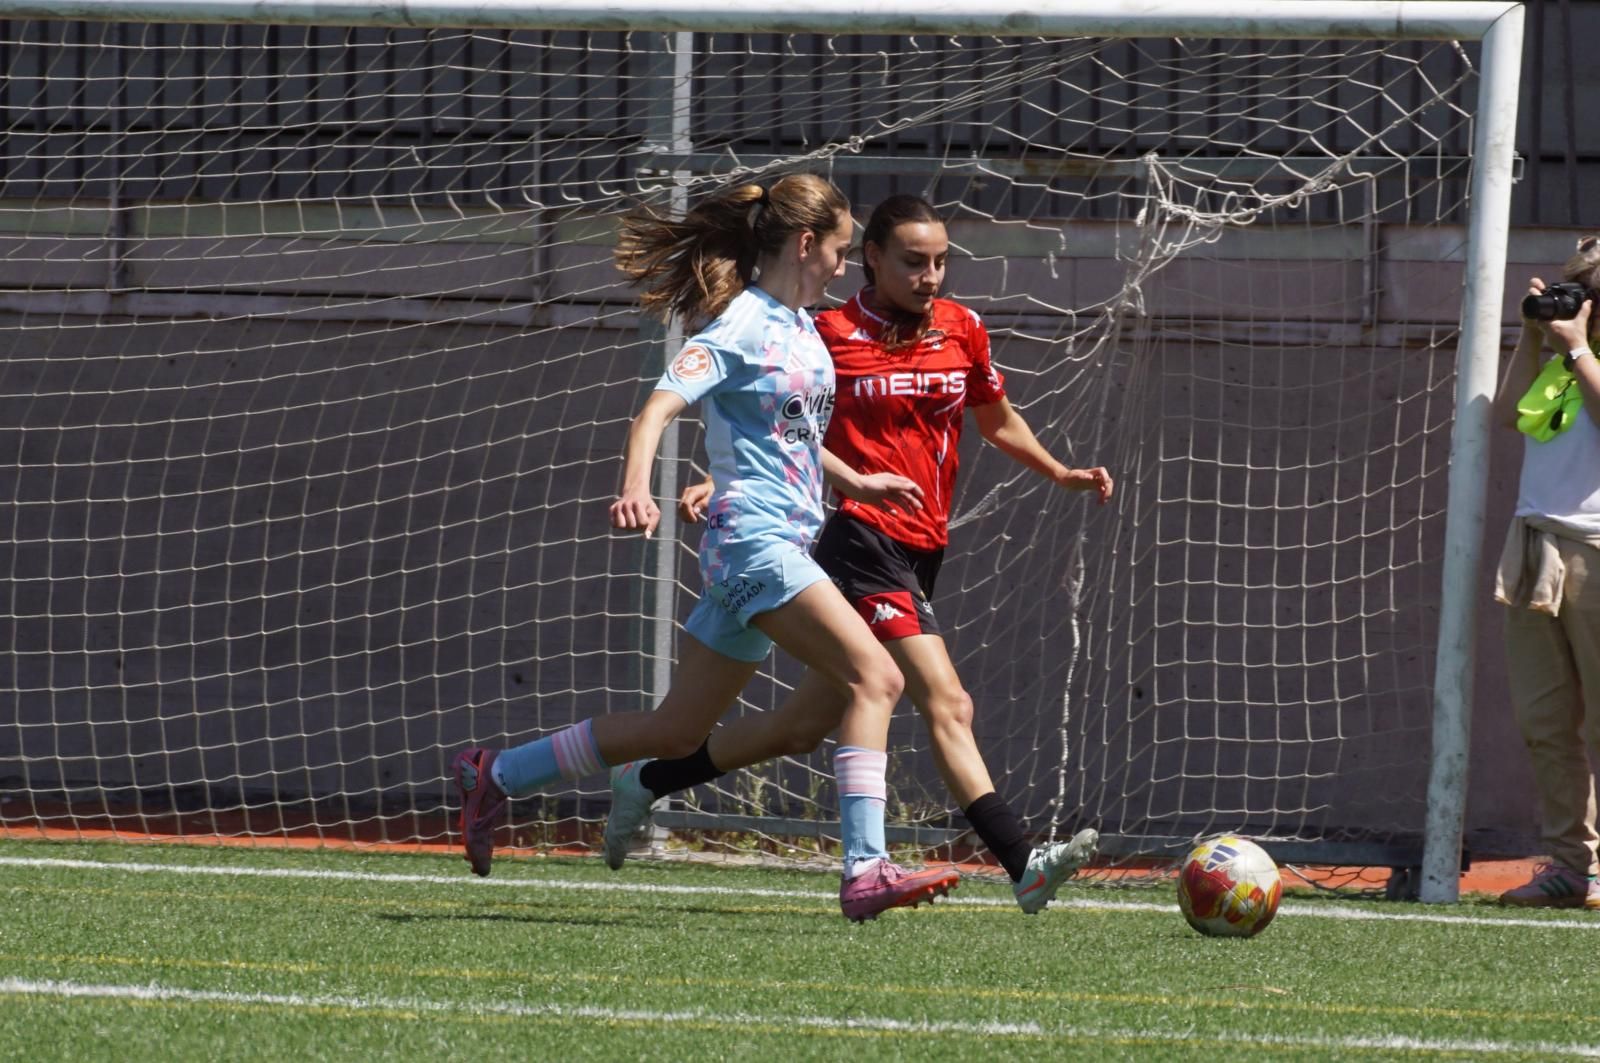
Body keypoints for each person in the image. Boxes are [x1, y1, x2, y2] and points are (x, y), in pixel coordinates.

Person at [450, 174, 961, 922]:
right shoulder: (742, 323)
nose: (847, 267)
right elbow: (658, 408)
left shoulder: (800, 327)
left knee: (674, 731)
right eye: (844, 251)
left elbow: (793, 434)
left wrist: (858, 480)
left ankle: (495, 772)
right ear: (806, 244)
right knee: (876, 678)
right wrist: (637, 487)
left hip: (782, 541)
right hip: (754, 544)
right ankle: (865, 867)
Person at [604, 195, 1113, 914]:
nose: (929, 275)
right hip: (860, 542)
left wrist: (1059, 470)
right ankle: (1019, 859)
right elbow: (778, 412)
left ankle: (651, 779)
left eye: (940, 261)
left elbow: (995, 417)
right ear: (868, 258)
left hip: (923, 544)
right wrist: (719, 476)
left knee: (801, 726)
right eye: (912, 261)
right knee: (945, 697)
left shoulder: (962, 329)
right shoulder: (828, 330)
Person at [1492, 238, 1600, 909]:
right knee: (1546, 719)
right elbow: (1509, 414)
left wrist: (1579, 348)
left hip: (1597, 550)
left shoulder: (1583, 359)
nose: (1577, 300)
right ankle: (1571, 865)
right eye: (1574, 287)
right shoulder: (1560, 358)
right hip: (1534, 547)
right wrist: (1532, 338)